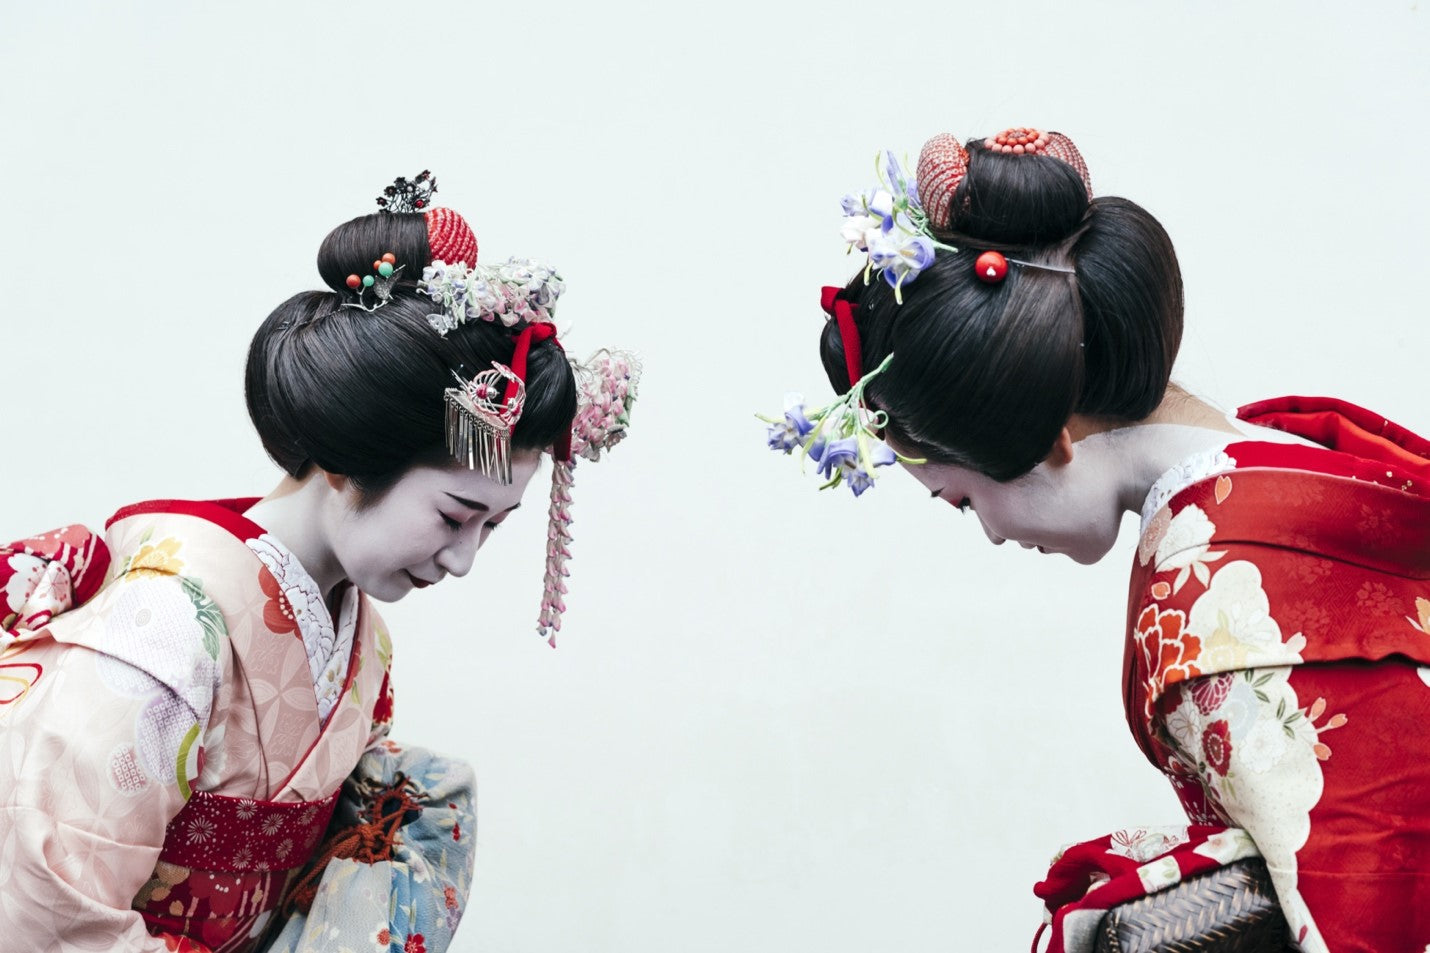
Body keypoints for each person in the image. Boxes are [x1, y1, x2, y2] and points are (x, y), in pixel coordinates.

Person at [764, 129, 1430, 952]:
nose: (993, 534)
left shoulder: (1204, 592)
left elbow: (1353, 909)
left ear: (1052, 441)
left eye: (965, 502)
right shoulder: (1293, 447)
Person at [0, 172, 639, 953]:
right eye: (453, 514)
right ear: (347, 456)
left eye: (493, 526)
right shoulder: (162, 629)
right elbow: (42, 905)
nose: (464, 558)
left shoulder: (360, 640)